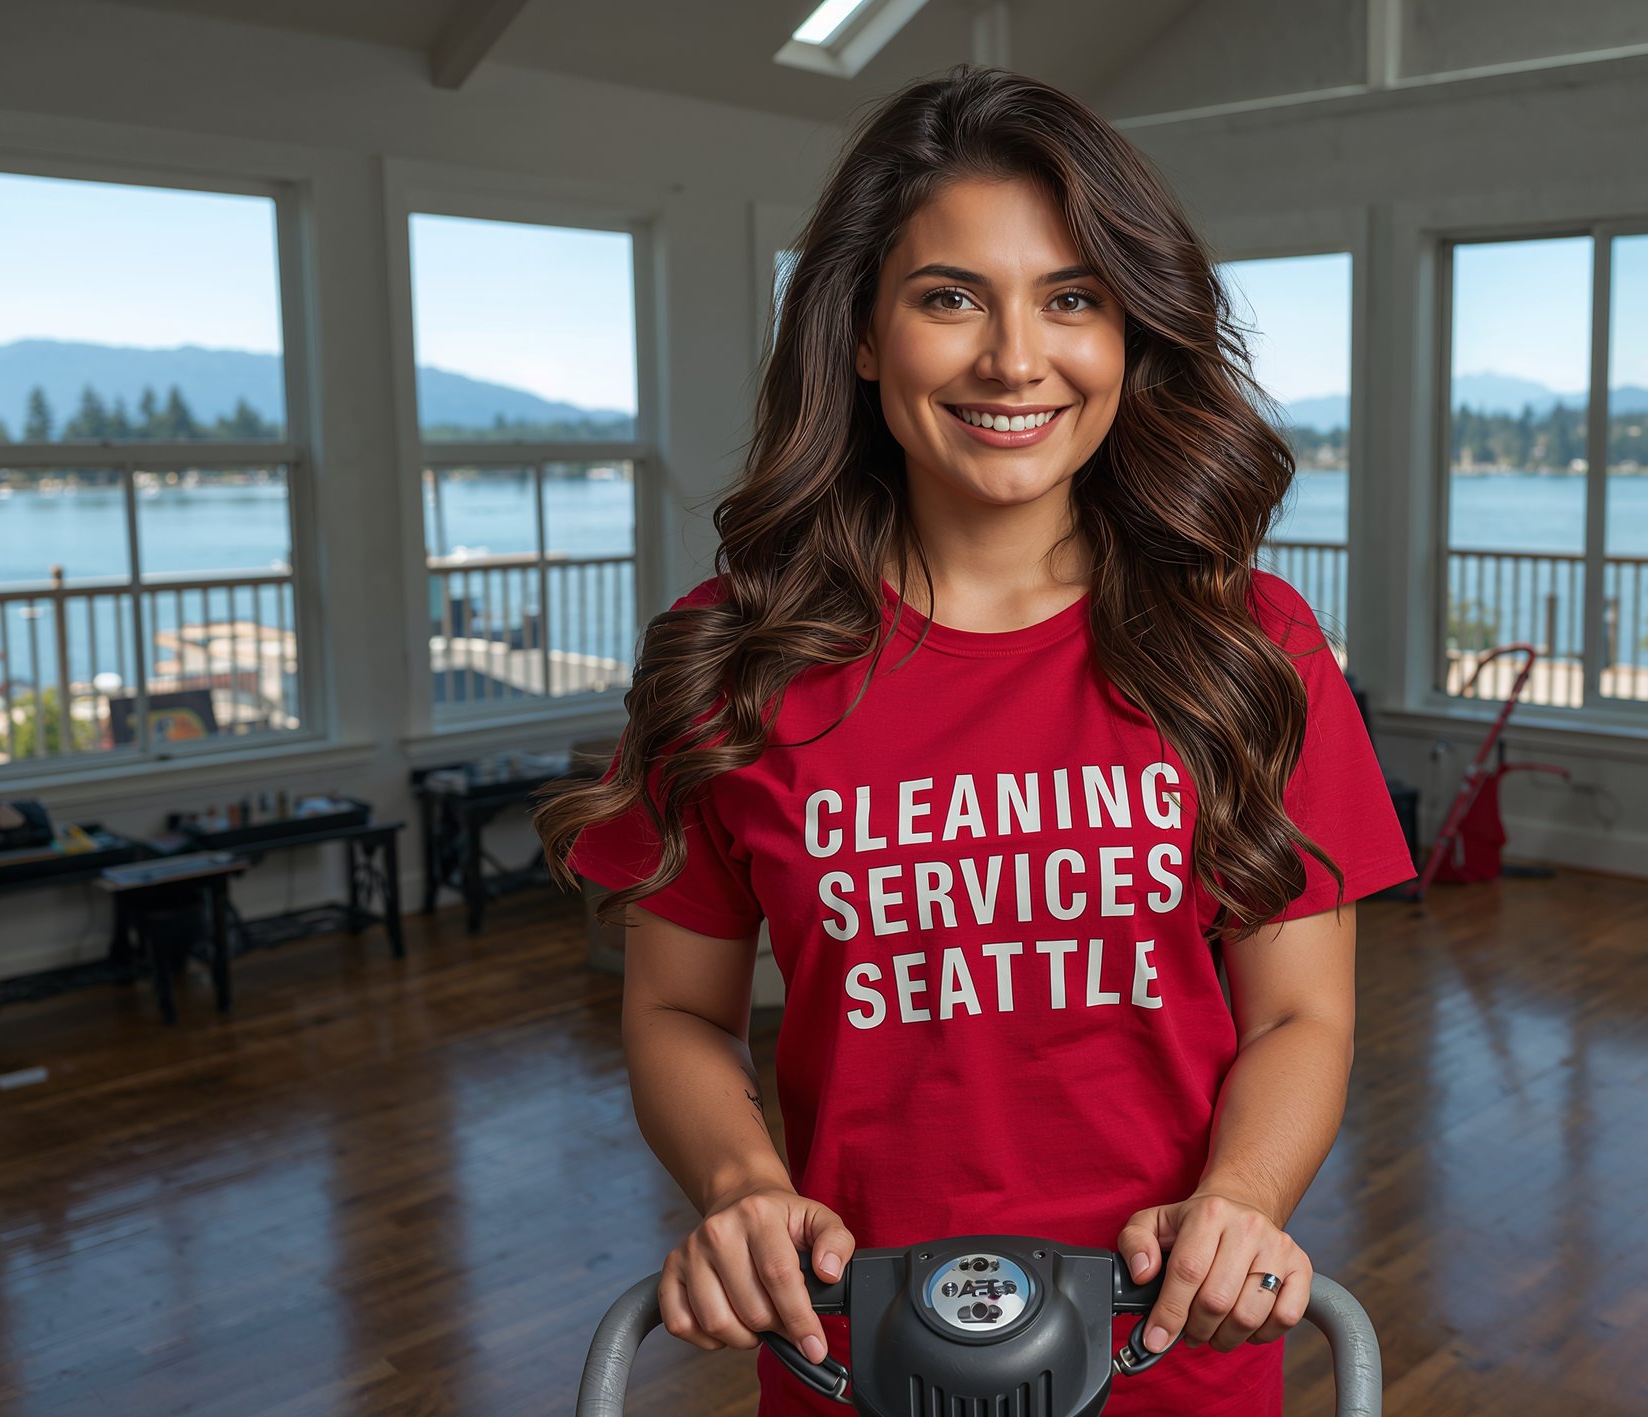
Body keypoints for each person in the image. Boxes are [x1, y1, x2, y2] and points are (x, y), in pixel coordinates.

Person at [535, 65, 1415, 1416]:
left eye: (1073, 298)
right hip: (851, 1359)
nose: (1014, 359)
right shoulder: (736, 654)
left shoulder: (1250, 645)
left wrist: (1242, 1198)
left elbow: (1302, 1014)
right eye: (951, 298)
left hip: (1171, 1356)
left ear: (1130, 331)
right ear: (864, 333)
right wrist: (742, 1187)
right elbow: (674, 1011)